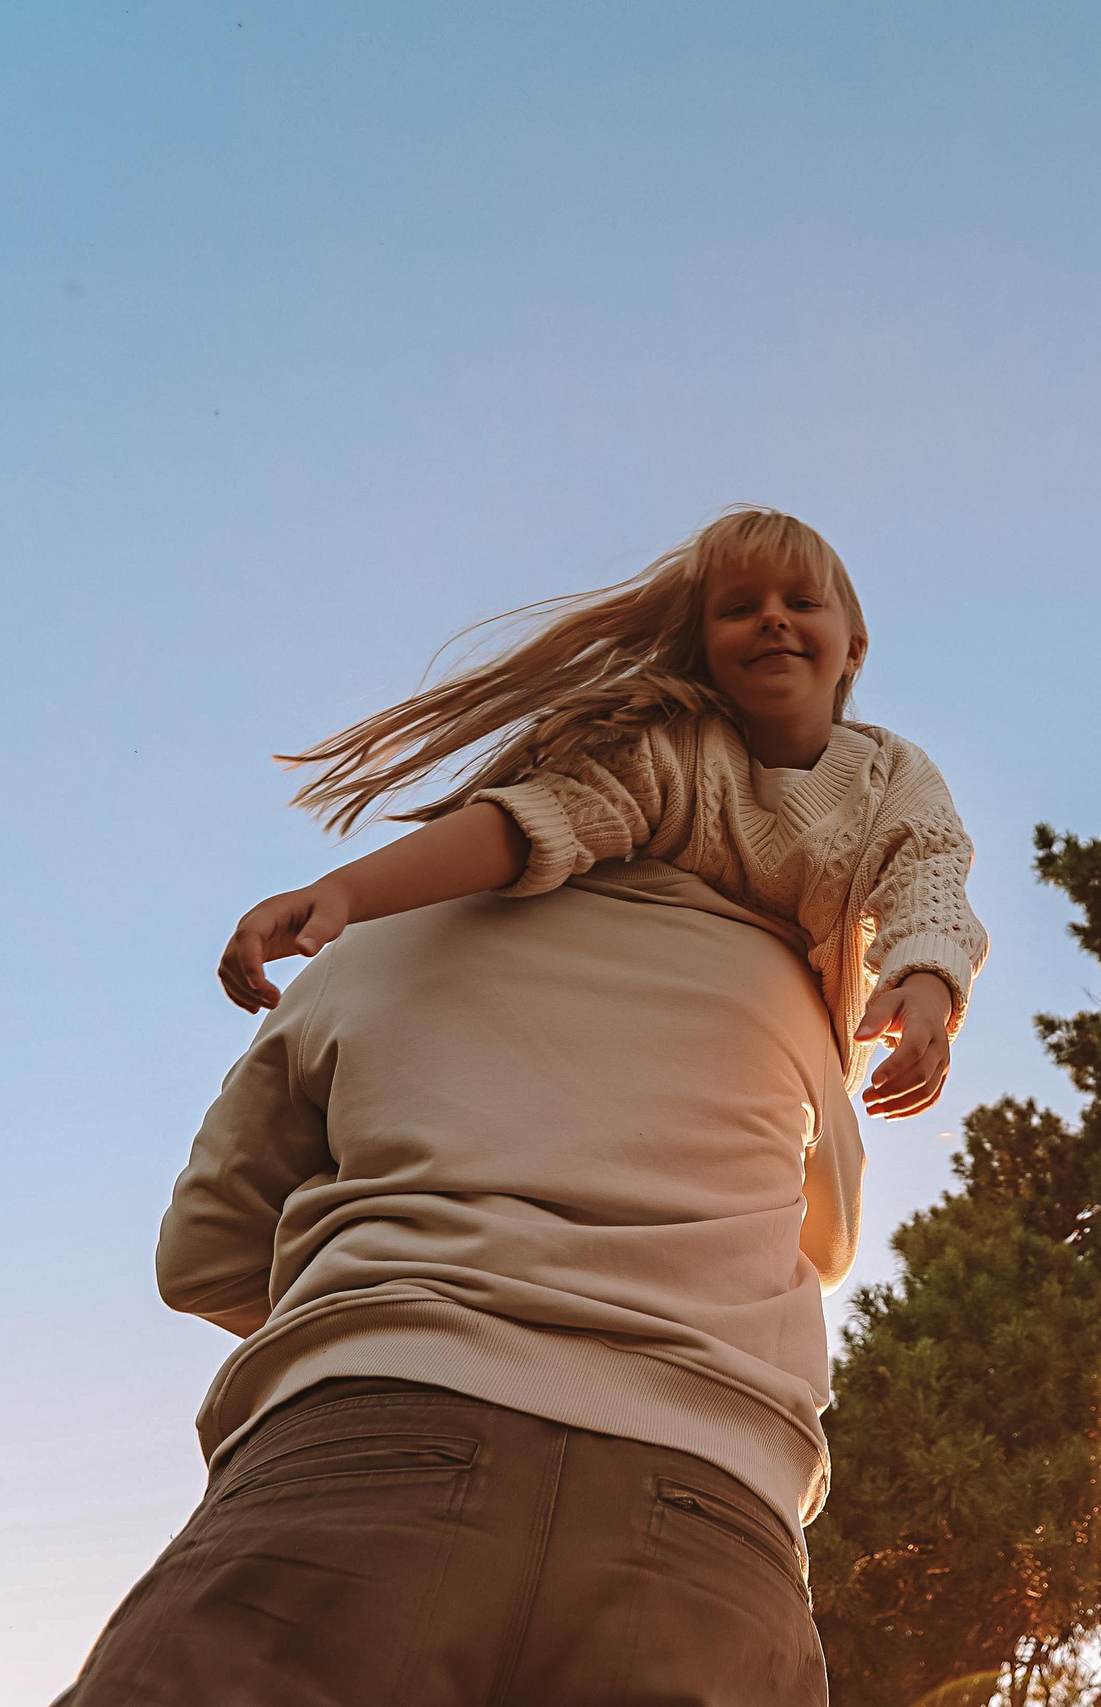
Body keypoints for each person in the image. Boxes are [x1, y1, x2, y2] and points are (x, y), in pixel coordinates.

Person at [56, 508, 986, 1705]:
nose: (774, 622)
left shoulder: (375, 951)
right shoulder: (781, 995)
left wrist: (403, 1305)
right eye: (740, 607)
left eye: (801, 605)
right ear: (697, 658)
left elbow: (202, 1259)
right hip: (701, 1501)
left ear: (854, 646)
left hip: (362, 1453)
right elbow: (824, 1238)